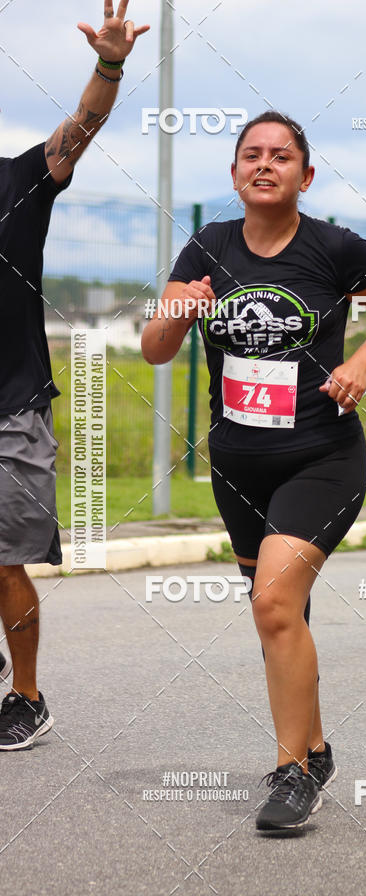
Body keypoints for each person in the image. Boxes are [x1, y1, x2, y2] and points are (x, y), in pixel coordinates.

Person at [142, 110, 366, 829]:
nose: (265, 165)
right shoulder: (207, 246)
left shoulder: (336, 247)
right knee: (281, 615)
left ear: (306, 174)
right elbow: (155, 349)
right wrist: (178, 310)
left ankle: (292, 773)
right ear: (234, 173)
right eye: (252, 155)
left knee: (271, 604)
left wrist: (360, 363)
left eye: (281, 156)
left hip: (322, 457)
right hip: (237, 466)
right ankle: (316, 749)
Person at [0, 1, 149, 751]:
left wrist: (109, 62)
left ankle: (26, 695)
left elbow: (81, 128)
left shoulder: (19, 182)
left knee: (5, 562)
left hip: (11, 404)